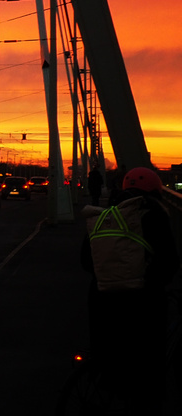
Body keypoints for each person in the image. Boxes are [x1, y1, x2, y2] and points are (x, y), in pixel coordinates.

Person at [80, 166, 179, 406]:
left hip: (102, 297)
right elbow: (169, 262)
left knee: (110, 355)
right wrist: (152, 283)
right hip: (142, 300)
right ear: (157, 191)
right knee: (149, 363)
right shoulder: (155, 214)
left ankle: (108, 389)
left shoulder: (106, 215)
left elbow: (86, 260)